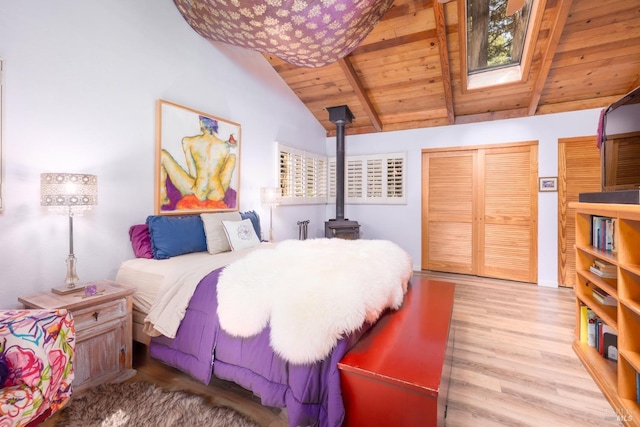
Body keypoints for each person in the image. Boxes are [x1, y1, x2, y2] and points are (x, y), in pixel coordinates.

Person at [160, 115, 237, 210]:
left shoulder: (188, 141)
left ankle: (163, 198)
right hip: (217, 192)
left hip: (200, 192)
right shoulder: (224, 146)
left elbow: (193, 173)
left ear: (201, 123)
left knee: (162, 154)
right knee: (232, 157)